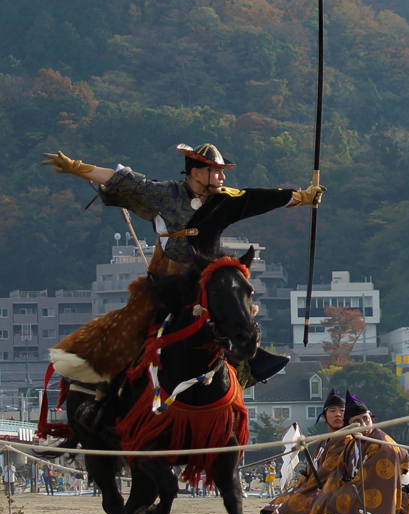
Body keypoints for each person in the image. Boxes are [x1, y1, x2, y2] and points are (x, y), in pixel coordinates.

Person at [42, 144, 323, 390]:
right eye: (216, 171)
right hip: (167, 274)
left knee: (236, 310)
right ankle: (110, 382)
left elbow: (260, 197)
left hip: (205, 278)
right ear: (196, 173)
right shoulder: (165, 194)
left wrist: (302, 197)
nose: (223, 177)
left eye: (222, 172)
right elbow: (122, 180)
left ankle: (248, 364)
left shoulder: (225, 199)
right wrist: (77, 167)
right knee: (135, 321)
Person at [255, 390, 353, 514]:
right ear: (324, 416)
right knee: (274, 505)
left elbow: (328, 471)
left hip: (332, 488)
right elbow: (311, 470)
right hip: (314, 486)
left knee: (294, 505)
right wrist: (299, 484)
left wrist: (303, 488)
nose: (338, 414)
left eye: (342, 410)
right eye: (332, 411)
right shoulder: (323, 441)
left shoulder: (347, 439)